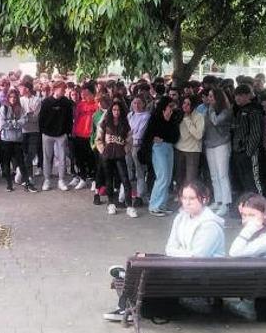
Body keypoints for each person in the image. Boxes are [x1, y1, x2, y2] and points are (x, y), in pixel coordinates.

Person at [102, 180, 225, 321]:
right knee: (141, 258)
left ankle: (126, 294)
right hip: (183, 265)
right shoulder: (181, 217)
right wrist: (178, 254)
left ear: (204, 199)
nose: (187, 202)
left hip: (201, 275)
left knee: (147, 266)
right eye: (184, 198)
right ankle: (126, 294)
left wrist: (176, 254)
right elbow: (170, 248)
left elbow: (196, 257)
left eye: (192, 198)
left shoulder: (210, 225)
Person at [95, 100, 138, 218]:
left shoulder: (125, 124)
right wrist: (103, 149)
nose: (116, 112)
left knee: (125, 179)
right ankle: (111, 203)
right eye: (114, 110)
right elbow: (98, 138)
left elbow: (130, 139)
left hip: (120, 155)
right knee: (109, 179)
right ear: (111, 110)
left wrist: (125, 150)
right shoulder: (105, 123)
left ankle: (129, 205)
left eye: (118, 110)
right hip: (107, 155)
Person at [143, 97, 181, 216]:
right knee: (162, 176)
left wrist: (168, 122)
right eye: (170, 106)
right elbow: (149, 135)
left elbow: (175, 137)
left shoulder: (172, 119)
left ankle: (162, 205)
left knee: (168, 177)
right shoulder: (155, 118)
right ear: (164, 107)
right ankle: (154, 205)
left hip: (169, 147)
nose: (171, 109)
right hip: (158, 148)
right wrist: (157, 138)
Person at [39, 80, 74, 191]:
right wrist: (43, 131)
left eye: (65, 89)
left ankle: (61, 180)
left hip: (61, 134)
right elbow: (41, 119)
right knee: (47, 158)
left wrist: (66, 132)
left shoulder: (67, 102)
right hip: (47, 134)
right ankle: (47, 180)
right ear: (55, 89)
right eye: (62, 89)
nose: (64, 91)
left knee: (62, 158)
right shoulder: (46, 102)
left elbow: (69, 119)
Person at [203, 88, 232, 216]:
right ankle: (218, 200)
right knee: (214, 175)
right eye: (208, 96)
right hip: (209, 144)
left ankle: (226, 203)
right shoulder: (206, 110)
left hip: (222, 144)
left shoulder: (225, 111)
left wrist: (211, 108)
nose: (209, 98)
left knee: (222, 175)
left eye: (211, 96)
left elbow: (215, 121)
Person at [0, 88, 34, 192]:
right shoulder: (3, 108)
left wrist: (13, 123)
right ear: (8, 97)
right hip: (6, 139)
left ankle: (27, 182)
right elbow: (2, 124)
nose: (13, 99)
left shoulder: (20, 108)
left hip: (17, 140)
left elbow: (24, 121)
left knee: (21, 162)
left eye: (14, 97)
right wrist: (15, 123)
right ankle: (9, 184)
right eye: (11, 97)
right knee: (6, 162)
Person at [231, 84, 264, 195]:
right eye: (236, 96)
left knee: (253, 181)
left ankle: (258, 204)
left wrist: (248, 152)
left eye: (241, 95)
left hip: (249, 153)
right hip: (238, 151)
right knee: (244, 181)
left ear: (248, 96)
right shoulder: (239, 110)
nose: (237, 98)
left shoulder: (254, 111)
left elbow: (256, 133)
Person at [175, 95, 204, 193]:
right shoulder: (179, 115)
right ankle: (180, 195)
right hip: (179, 148)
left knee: (190, 178)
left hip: (192, 150)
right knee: (179, 176)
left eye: (188, 104)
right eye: (184, 103)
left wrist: (187, 119)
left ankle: (191, 196)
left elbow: (198, 135)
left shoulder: (198, 116)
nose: (185, 106)